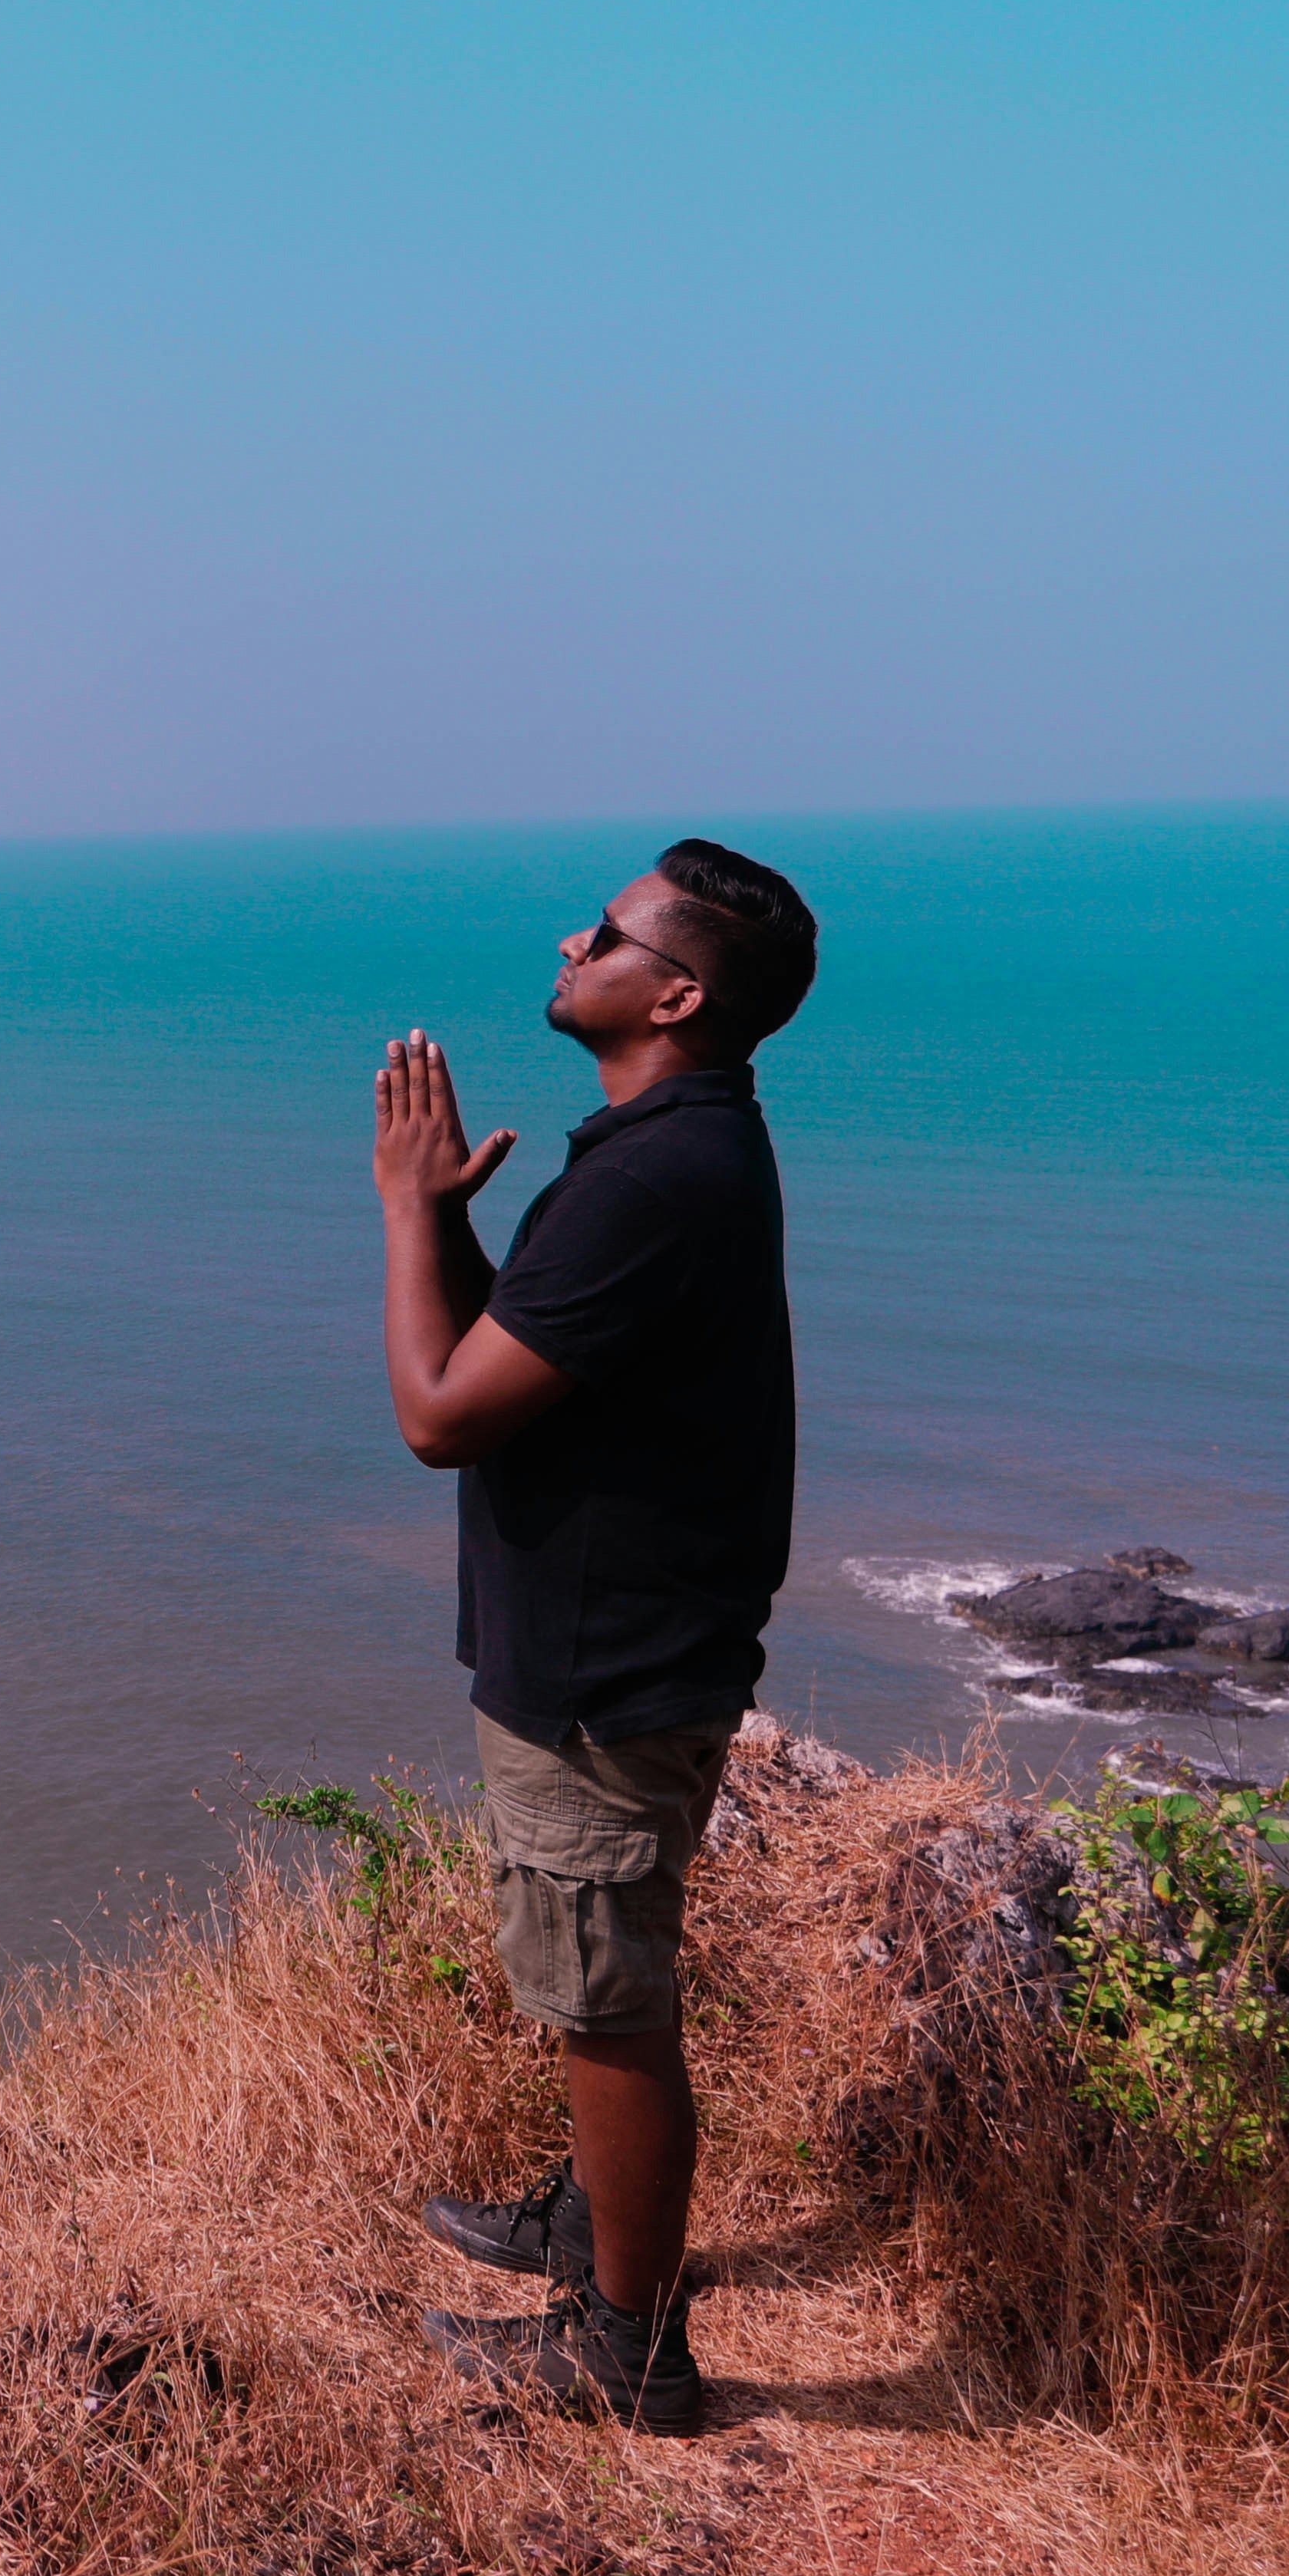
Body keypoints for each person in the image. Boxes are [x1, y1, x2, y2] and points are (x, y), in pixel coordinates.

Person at [371, 837, 817, 2435]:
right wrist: (468, 1246)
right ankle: (587, 2223)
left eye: (611, 930)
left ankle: (628, 2343)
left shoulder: (648, 1178)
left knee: (610, 1999)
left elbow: (439, 1412)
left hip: (609, 1666)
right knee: (594, 1969)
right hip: (631, 1640)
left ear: (676, 989)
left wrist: (410, 1215)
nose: (574, 936)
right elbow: (531, 1362)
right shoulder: (672, 1149)